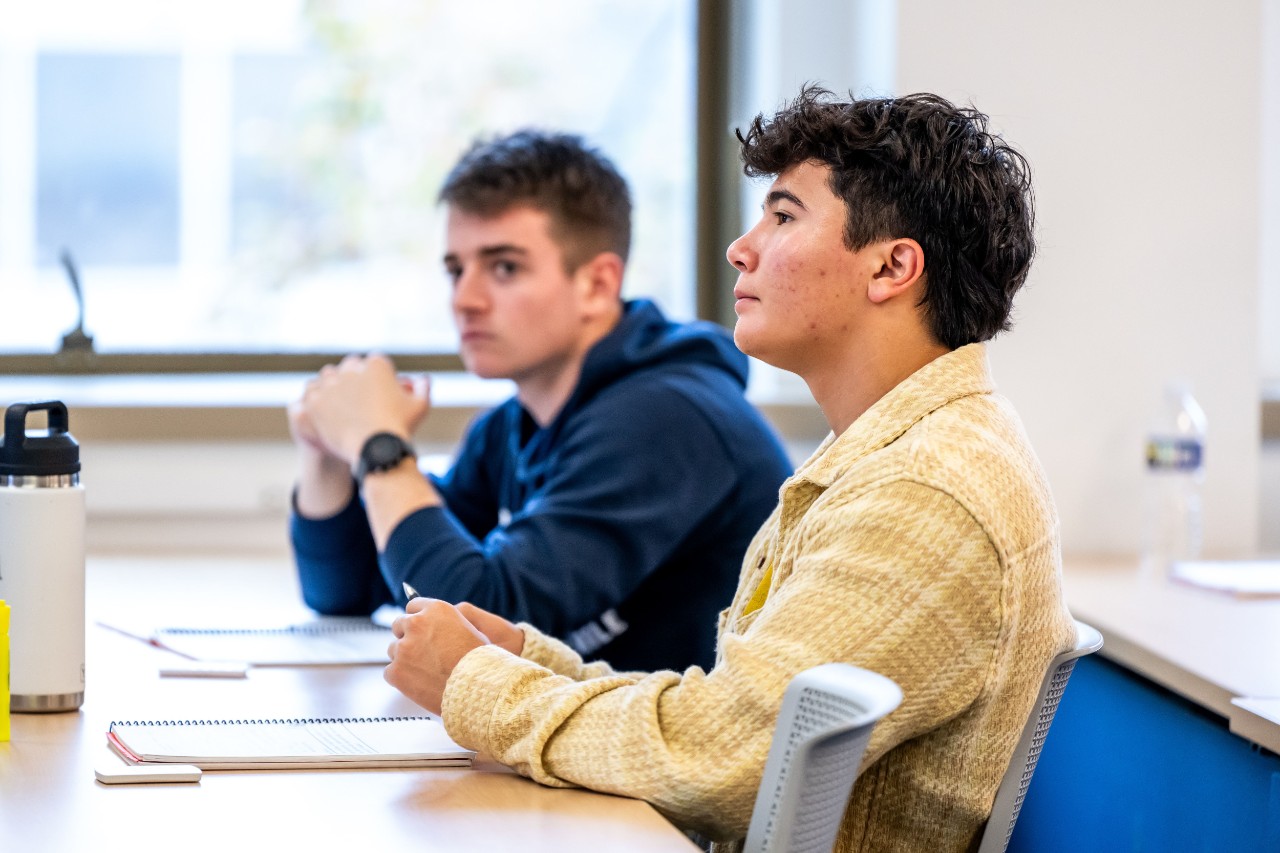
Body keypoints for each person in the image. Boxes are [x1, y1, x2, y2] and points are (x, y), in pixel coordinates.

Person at [382, 87, 1078, 853]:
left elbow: (718, 765)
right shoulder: (888, 453)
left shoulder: (926, 491)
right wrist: (527, 661)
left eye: (783, 217)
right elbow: (728, 715)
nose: (740, 249)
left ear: (891, 267)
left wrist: (475, 684)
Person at [288, 130, 791, 674]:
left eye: (504, 267)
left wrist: (380, 448)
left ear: (596, 284)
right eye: (456, 270)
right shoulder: (511, 426)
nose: (465, 299)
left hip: (676, 729)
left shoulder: (666, 421)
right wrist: (327, 452)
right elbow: (350, 590)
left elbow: (477, 623)